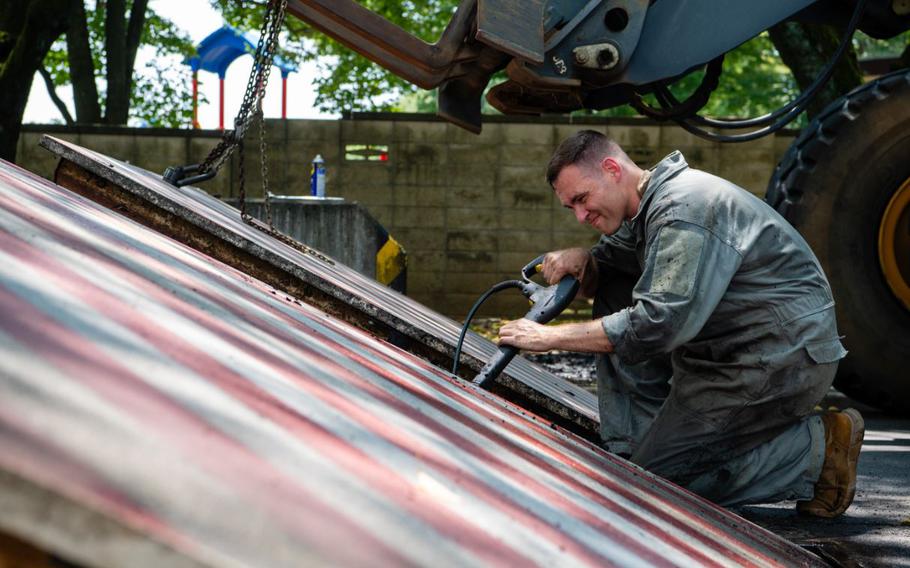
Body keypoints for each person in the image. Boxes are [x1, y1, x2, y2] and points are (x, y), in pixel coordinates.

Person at [498, 130, 864, 517]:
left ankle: (814, 453)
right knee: (612, 278)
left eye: (582, 199)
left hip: (780, 358)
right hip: (729, 358)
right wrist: (582, 258)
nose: (580, 215)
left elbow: (659, 323)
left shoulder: (684, 209)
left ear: (611, 169)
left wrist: (548, 337)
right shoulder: (646, 210)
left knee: (653, 489)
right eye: (570, 207)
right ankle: (633, 448)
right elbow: (605, 275)